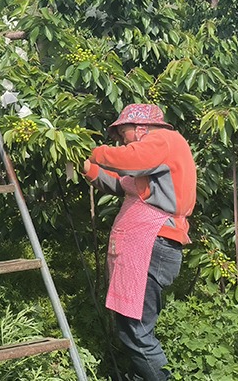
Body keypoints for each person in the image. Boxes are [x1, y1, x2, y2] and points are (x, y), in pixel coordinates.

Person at [81, 103, 197, 381]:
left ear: (141, 127)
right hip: (145, 246)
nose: (121, 142)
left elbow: (130, 160)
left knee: (135, 330)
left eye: (123, 134)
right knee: (133, 327)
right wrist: (85, 167)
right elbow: (120, 182)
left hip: (152, 244)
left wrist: (92, 152)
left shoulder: (163, 139)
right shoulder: (152, 161)